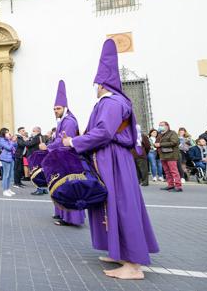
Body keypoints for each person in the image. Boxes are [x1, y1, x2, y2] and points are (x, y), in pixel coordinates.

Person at [62, 39, 158, 280]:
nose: (95, 88)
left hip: (112, 160)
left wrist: (73, 142)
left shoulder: (111, 102)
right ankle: (120, 252)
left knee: (121, 206)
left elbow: (104, 132)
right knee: (114, 205)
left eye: (96, 84)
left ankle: (133, 266)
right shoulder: (115, 102)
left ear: (102, 84)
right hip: (111, 159)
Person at [41, 80, 85, 226]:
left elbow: (65, 141)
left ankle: (71, 218)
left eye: (58, 108)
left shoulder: (69, 121)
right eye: (54, 109)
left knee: (69, 188)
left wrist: (47, 148)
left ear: (65, 108)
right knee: (60, 187)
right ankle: (61, 213)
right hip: (62, 159)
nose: (55, 111)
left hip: (69, 161)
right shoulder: (62, 121)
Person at [155, 121, 182, 192]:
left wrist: (161, 144)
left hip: (171, 155)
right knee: (167, 171)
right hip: (163, 155)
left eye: (162, 125)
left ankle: (178, 186)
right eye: (159, 125)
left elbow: (174, 142)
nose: (160, 126)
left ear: (167, 126)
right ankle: (170, 185)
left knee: (174, 171)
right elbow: (157, 143)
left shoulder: (172, 133)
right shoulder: (160, 134)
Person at [0, 128, 16, 197]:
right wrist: (12, 141)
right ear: (3, 133)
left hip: (10, 158)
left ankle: (8, 189)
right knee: (6, 175)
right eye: (7, 132)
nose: (8, 134)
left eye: (8, 132)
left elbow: (14, 147)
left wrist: (12, 141)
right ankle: (5, 190)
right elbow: (8, 148)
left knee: (10, 175)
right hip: (5, 158)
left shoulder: (7, 140)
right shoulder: (1, 140)